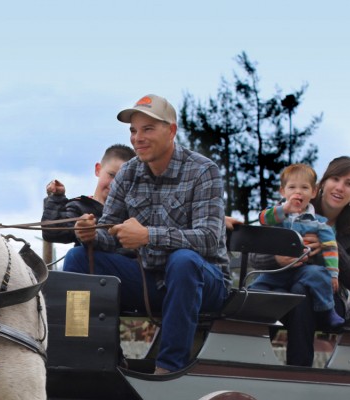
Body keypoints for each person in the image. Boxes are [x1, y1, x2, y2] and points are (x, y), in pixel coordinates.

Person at [65, 94, 230, 374]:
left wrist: (149, 236)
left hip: (203, 283)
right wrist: (91, 234)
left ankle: (168, 368)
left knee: (183, 261)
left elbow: (209, 238)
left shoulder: (204, 171)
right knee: (78, 258)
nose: (137, 138)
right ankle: (90, 357)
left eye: (148, 129)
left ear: (172, 131)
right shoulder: (128, 173)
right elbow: (110, 234)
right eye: (133, 130)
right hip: (149, 280)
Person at [250, 156, 350, 366]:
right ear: (321, 184)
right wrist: (277, 257)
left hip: (329, 301)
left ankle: (299, 370)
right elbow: (254, 256)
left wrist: (330, 245)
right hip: (282, 289)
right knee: (266, 296)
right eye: (335, 179)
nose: (340, 187)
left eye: (349, 183)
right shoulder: (296, 202)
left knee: (301, 292)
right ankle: (251, 365)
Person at [249, 163, 345, 328]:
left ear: (314, 192)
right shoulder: (278, 216)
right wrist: (285, 208)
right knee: (258, 285)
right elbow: (263, 218)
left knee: (319, 275)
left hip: (303, 271)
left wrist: (333, 273)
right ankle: (248, 310)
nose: (297, 192)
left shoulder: (319, 223)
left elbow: (330, 248)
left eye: (304, 188)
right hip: (278, 272)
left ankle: (328, 310)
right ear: (283, 191)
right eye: (292, 187)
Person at [41, 144, 135, 249]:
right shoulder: (80, 206)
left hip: (119, 263)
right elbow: (52, 233)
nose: (115, 184)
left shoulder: (132, 212)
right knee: (75, 255)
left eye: (122, 179)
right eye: (111, 175)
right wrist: (56, 198)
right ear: (98, 169)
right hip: (86, 263)